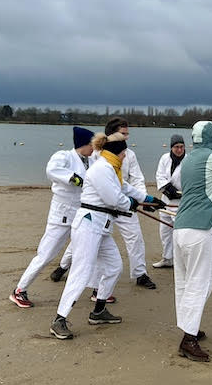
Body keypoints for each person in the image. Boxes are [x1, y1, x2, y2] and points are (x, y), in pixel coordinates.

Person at [49, 133, 165, 340]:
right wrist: (136, 205)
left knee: (114, 266)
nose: (124, 157)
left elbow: (124, 188)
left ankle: (99, 311)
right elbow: (114, 198)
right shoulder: (102, 169)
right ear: (117, 152)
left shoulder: (111, 168)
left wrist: (150, 199)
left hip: (101, 227)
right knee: (81, 272)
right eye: (123, 153)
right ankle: (59, 319)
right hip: (88, 225)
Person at [48, 117, 158, 291]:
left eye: (127, 133)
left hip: (125, 203)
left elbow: (136, 179)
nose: (127, 137)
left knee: (135, 238)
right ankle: (63, 266)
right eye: (123, 133)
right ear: (111, 134)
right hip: (103, 206)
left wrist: (144, 200)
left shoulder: (129, 154)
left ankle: (140, 274)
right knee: (85, 239)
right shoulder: (96, 154)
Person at [9, 127, 94, 308]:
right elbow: (52, 170)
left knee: (94, 247)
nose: (94, 148)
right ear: (83, 144)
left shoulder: (90, 160)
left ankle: (98, 290)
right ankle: (19, 290)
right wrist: (73, 178)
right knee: (46, 254)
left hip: (81, 212)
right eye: (91, 144)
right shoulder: (63, 156)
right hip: (62, 213)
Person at [171, 121, 212, 361]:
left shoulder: (186, 159)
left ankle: (190, 326)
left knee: (184, 282)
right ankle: (189, 338)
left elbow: (180, 184)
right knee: (201, 283)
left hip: (180, 226)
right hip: (200, 227)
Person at [152, 134, 185, 269]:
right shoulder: (164, 158)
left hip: (180, 202)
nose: (179, 150)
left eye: (181, 147)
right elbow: (159, 175)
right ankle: (167, 258)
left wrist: (178, 193)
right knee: (165, 231)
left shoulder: (188, 161)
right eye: (176, 147)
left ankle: (181, 260)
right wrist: (167, 188)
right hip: (165, 200)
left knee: (179, 233)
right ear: (171, 147)